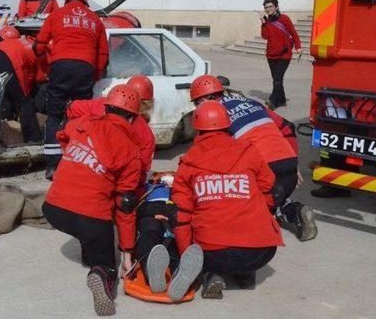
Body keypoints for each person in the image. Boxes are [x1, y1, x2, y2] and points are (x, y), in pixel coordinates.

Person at [42, 84, 142, 317]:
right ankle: (99, 274)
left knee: (88, 224)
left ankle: (89, 253)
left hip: (53, 208)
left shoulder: (83, 123)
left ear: (106, 107)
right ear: (132, 116)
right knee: (103, 251)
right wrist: (127, 252)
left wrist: (71, 156)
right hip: (88, 218)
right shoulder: (131, 151)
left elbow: (61, 131)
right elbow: (125, 206)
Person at [172, 100, 284, 299]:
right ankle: (245, 273)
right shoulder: (248, 150)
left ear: (197, 131)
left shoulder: (188, 162)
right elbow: (270, 188)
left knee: (201, 237)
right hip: (262, 252)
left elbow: (181, 216)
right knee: (244, 235)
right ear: (228, 125)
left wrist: (187, 256)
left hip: (215, 253)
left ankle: (211, 275)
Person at [189, 75, 317, 242]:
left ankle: (283, 211)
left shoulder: (213, 117)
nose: (196, 108)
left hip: (265, 174)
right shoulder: (253, 104)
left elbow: (206, 157)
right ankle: (293, 211)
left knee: (230, 202)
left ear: (204, 99)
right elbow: (288, 127)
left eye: (196, 103)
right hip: (289, 169)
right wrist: (294, 161)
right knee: (270, 199)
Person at [35, 0, 109, 180]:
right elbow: (103, 56)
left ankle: (52, 166)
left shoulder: (56, 15)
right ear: (85, 3)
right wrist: (95, 76)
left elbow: (39, 46)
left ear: (66, 1)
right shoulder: (95, 20)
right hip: (85, 68)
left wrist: (46, 67)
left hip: (60, 67)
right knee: (80, 115)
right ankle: (75, 162)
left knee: (54, 115)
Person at [131, 172, 204, 301]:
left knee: (174, 244)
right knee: (149, 238)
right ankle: (154, 271)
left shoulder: (184, 189)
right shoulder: (148, 188)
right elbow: (133, 206)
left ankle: (180, 274)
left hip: (172, 216)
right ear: (155, 180)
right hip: (152, 213)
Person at [66, 75, 155, 178]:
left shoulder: (101, 104)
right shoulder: (146, 133)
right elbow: (142, 169)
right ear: (149, 104)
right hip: (113, 178)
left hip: (81, 164)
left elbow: (72, 108)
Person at [0, 26, 42, 143]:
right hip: (7, 60)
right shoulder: (39, 52)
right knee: (24, 102)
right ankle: (33, 140)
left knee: (1, 96)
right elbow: (36, 77)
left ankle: (1, 129)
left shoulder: (21, 43)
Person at [260, 0, 302, 110]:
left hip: (284, 54)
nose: (268, 9)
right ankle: (282, 100)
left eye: (271, 6)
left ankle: (273, 101)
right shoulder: (267, 21)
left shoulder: (284, 18)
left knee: (277, 79)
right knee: (277, 79)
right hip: (271, 54)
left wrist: (298, 47)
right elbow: (265, 36)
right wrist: (263, 23)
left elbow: (293, 33)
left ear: (276, 7)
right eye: (266, 7)